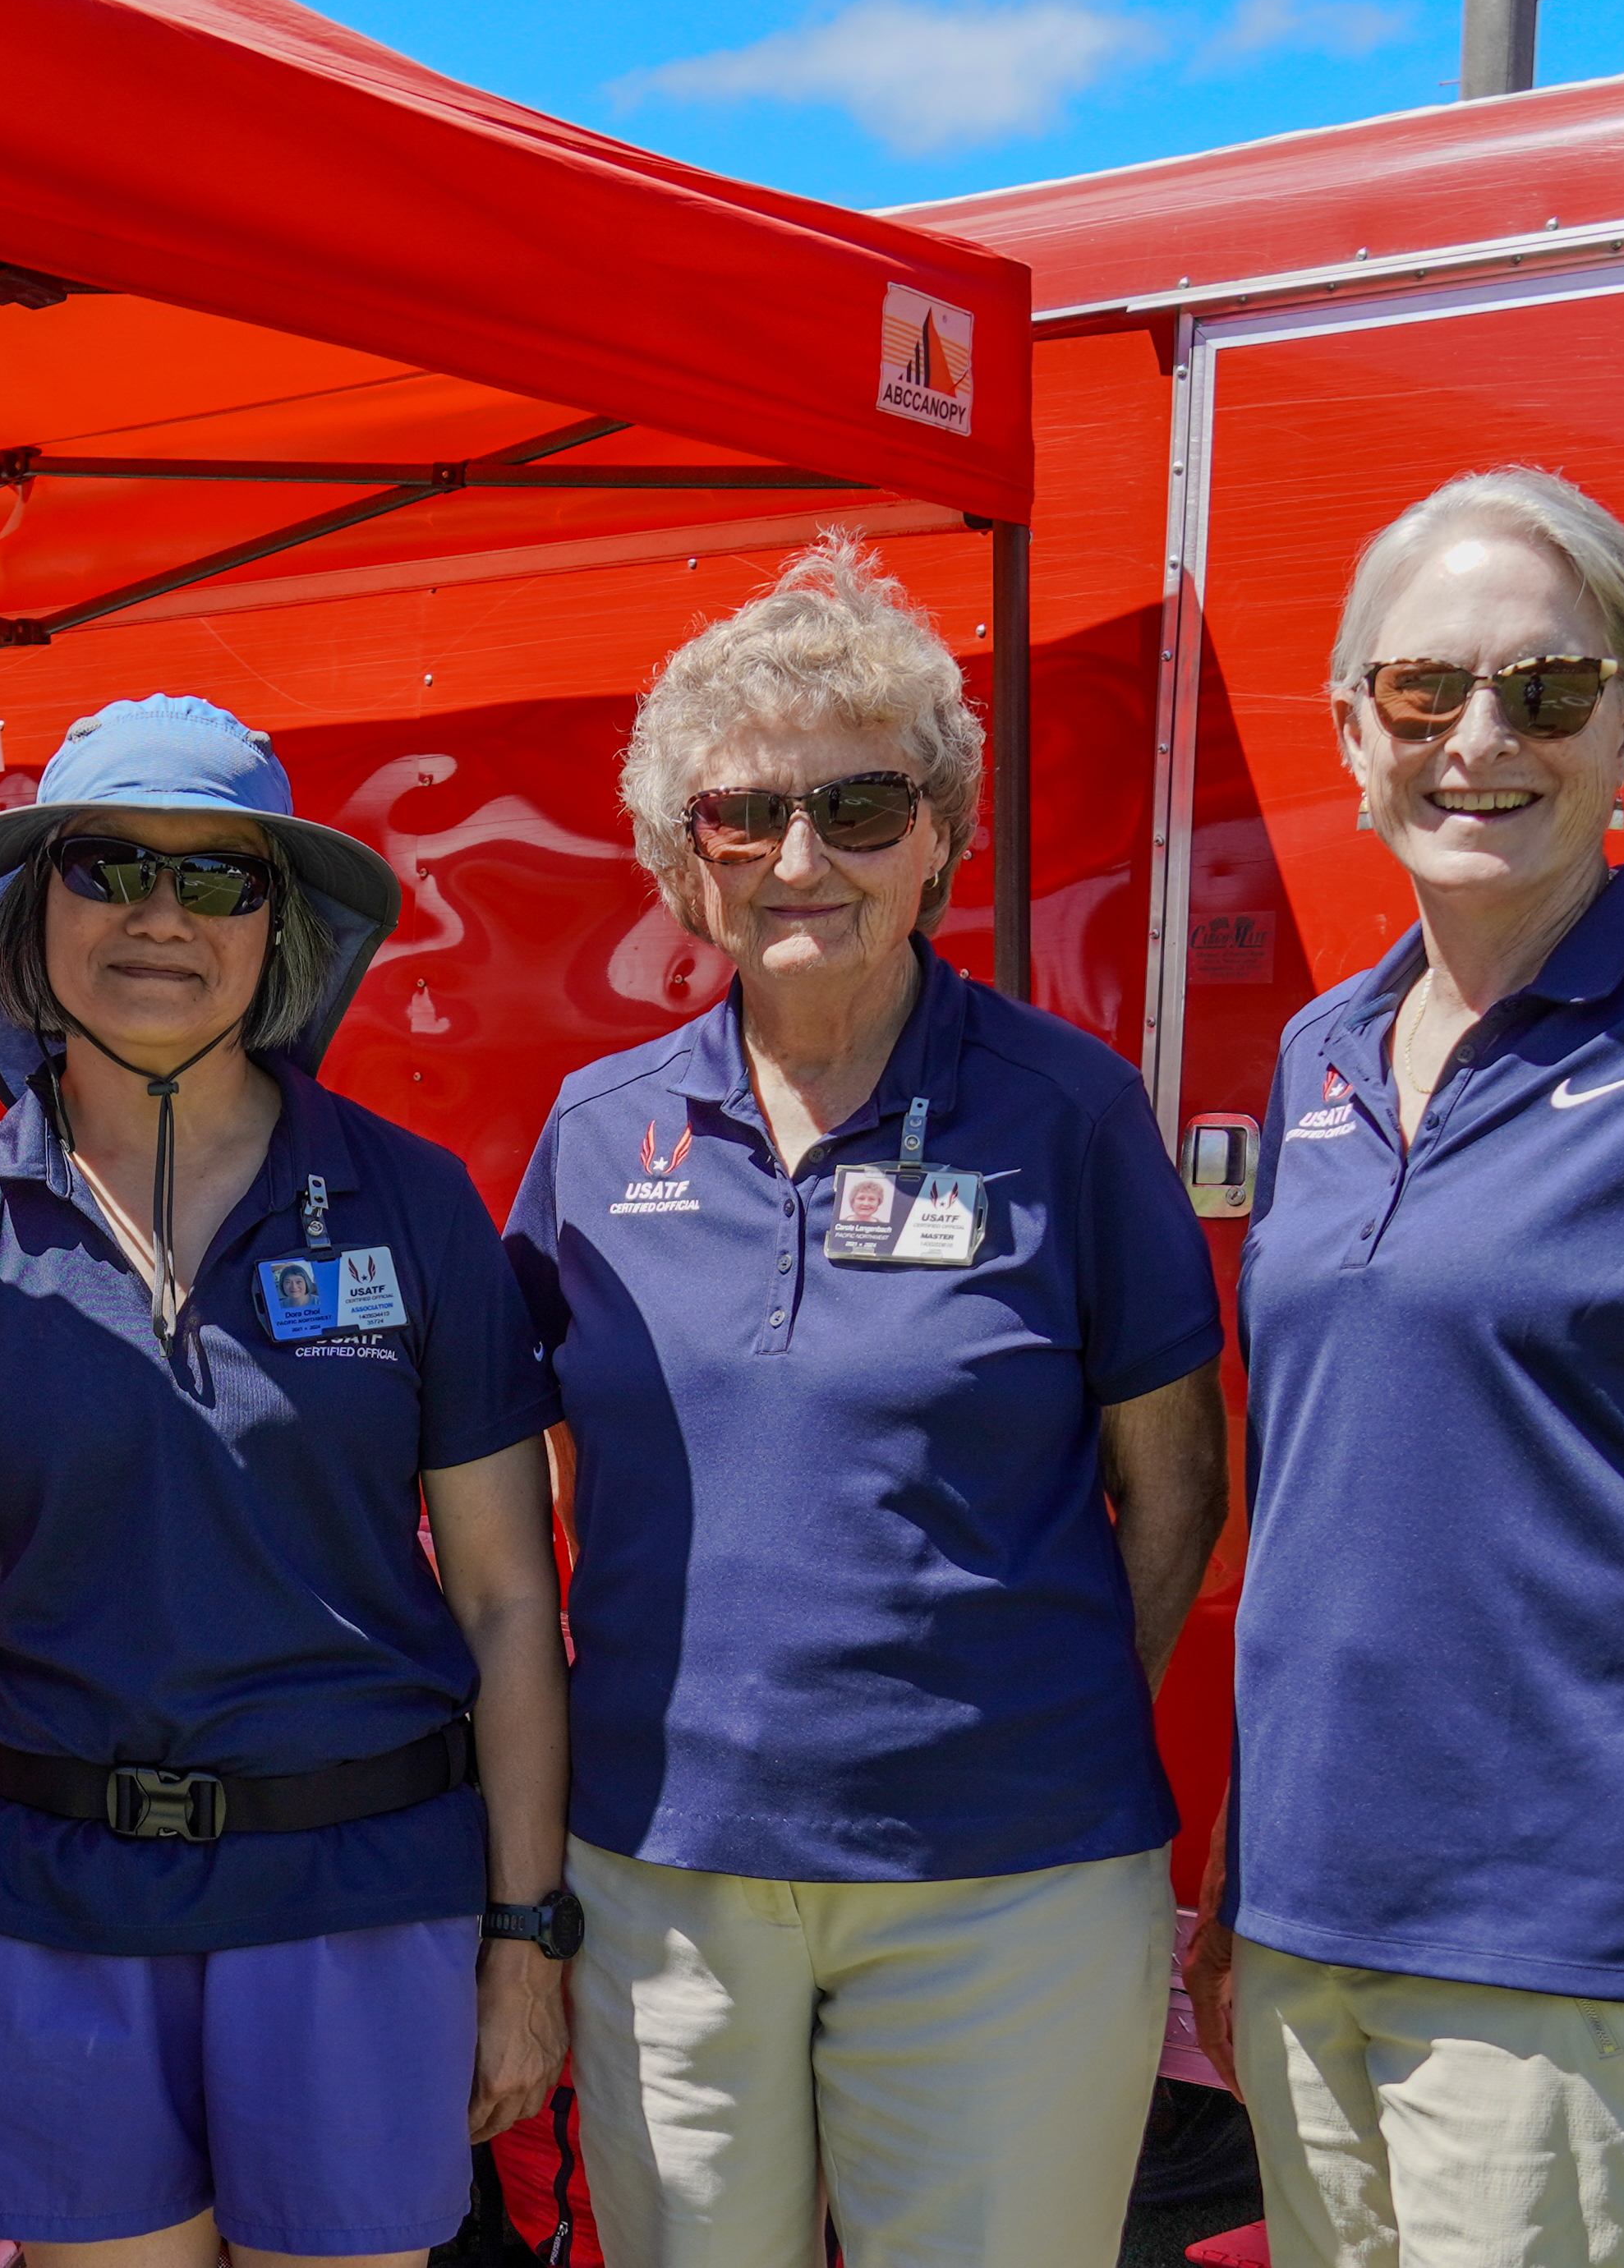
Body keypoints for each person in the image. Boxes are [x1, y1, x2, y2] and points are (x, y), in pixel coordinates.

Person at [501, 538, 1229, 2268]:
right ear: (684, 864)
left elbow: (1179, 1486)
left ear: (943, 835)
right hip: (667, 1883)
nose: (801, 859)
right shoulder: (598, 1137)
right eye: (743, 817)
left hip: (1011, 1887)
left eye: (860, 804)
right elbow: (527, 1497)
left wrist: (1000, 1719)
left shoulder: (1070, 1111)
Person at [0, 694, 573, 2268]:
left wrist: (525, 1937)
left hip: (359, 1896)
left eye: (219, 881)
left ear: (283, 931)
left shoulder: (414, 1206)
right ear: (32, 908)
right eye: (110, 868)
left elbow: (512, 1601)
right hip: (51, 1910)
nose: (159, 920)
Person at [1185, 469, 1624, 2268]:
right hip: (1308, 1917)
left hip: (1574, 1935)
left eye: (1549, 692)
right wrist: (1247, 1853)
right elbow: (1334, 1487)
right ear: (1355, 727)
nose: (1480, 740)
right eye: (1425, 692)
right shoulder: (1325, 1051)